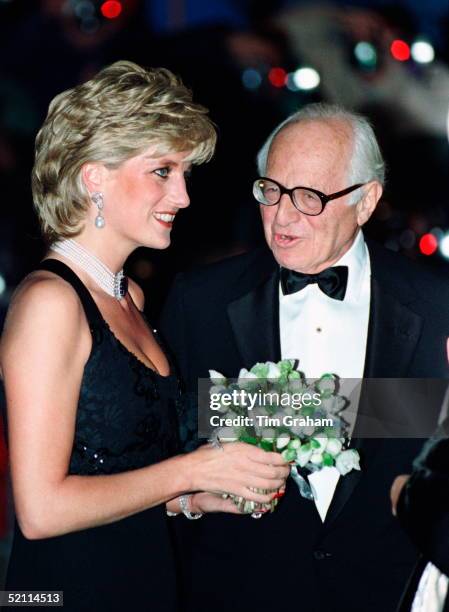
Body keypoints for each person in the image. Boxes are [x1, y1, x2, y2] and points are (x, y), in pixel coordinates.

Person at [0, 61, 289, 611]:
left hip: (143, 579)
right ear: (94, 177)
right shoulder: (49, 303)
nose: (182, 196)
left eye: (184, 174)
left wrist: (191, 498)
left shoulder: (128, 295)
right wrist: (194, 468)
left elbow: (115, 473)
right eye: (163, 171)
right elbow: (40, 512)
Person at [159, 103, 449, 612]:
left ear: (366, 201)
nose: (284, 215)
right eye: (271, 191)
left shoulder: (437, 306)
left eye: (310, 197)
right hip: (239, 593)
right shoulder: (200, 301)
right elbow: (165, 446)